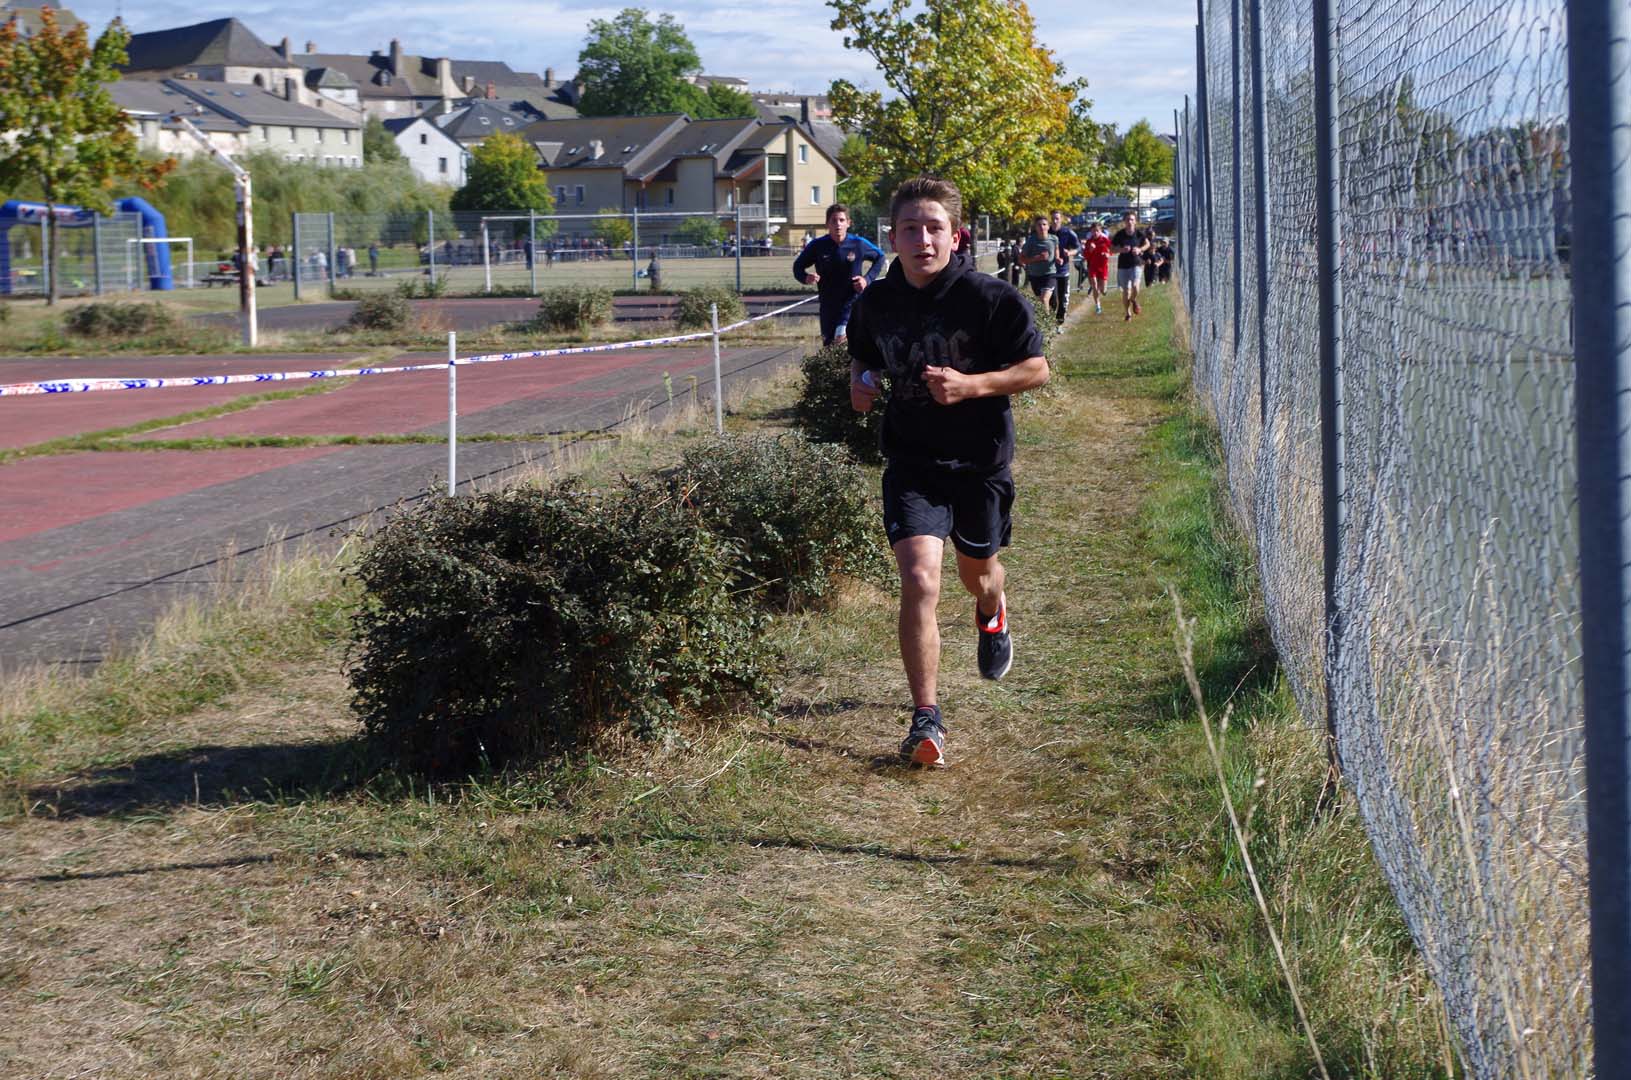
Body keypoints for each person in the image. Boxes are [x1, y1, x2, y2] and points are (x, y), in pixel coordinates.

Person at [847, 176, 1050, 768]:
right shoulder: (876, 302)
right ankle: (925, 718)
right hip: (911, 461)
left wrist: (971, 385)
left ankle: (993, 609)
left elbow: (1036, 368)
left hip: (980, 461)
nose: (923, 239)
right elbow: (864, 352)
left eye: (934, 227)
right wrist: (860, 383)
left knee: (977, 574)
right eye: (910, 228)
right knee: (919, 581)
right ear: (893, 237)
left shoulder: (990, 299)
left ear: (954, 235)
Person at [791, 203, 886, 345]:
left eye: (841, 220)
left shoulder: (858, 244)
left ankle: (855, 365)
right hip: (828, 305)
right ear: (827, 224)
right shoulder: (817, 246)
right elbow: (797, 267)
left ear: (849, 223)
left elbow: (880, 257)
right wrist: (806, 277)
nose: (838, 224)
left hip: (852, 303)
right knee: (829, 346)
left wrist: (866, 279)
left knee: (842, 337)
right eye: (833, 220)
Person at [1110, 211, 1148, 320]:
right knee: (1126, 291)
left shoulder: (1139, 233)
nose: (1130, 222)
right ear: (1124, 222)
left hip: (1136, 263)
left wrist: (1139, 249)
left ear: (1135, 221)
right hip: (1123, 265)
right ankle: (1127, 313)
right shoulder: (1120, 234)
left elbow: (1147, 244)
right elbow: (1111, 248)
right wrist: (1121, 250)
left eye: (1132, 219)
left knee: (1135, 286)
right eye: (1127, 220)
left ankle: (1133, 300)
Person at [1019, 215, 1057, 308]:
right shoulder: (1031, 241)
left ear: (1048, 226)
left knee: (1044, 299)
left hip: (1050, 274)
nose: (1042, 227)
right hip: (1035, 276)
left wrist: (1058, 257)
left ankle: (1047, 322)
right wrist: (1037, 258)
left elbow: (1056, 249)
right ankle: (1047, 319)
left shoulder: (1054, 239)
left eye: (1044, 224)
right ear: (1035, 227)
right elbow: (1021, 259)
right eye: (1039, 225)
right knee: (1041, 302)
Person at [1049, 210, 1079, 325]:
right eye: (1053, 219)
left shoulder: (1068, 233)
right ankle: (1051, 322)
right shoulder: (1047, 232)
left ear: (1061, 219)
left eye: (1057, 218)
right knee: (1052, 299)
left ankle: (1060, 321)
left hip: (1063, 270)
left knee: (1062, 299)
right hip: (1050, 271)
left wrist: (1070, 253)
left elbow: (1078, 248)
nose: (1055, 221)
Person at [1080, 221, 1112, 314]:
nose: (1095, 233)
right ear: (1091, 231)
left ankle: (1104, 291)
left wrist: (1107, 254)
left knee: (1103, 290)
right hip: (1092, 266)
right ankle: (1098, 306)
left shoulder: (1105, 240)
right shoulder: (1089, 242)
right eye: (1093, 231)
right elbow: (1085, 255)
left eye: (1097, 231)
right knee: (1094, 286)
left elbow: (1111, 250)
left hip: (1103, 267)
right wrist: (1090, 250)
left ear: (1100, 231)